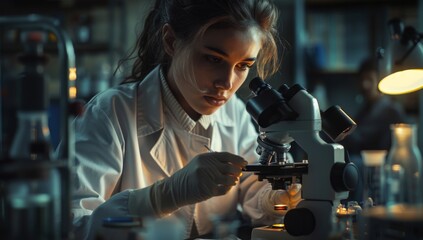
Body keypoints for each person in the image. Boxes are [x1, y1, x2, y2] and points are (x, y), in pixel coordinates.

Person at [61, 0, 302, 239]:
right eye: (213, 59)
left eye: (242, 65)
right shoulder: (111, 112)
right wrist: (162, 197)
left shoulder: (234, 112)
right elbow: (73, 227)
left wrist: (271, 199)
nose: (227, 83)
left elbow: (252, 185)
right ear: (171, 41)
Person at [340, 57, 409, 202]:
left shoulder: (391, 111)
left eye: (370, 80)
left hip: (382, 169)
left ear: (379, 80)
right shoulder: (362, 111)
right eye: (362, 80)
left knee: (353, 164)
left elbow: (366, 141)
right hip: (362, 166)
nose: (365, 85)